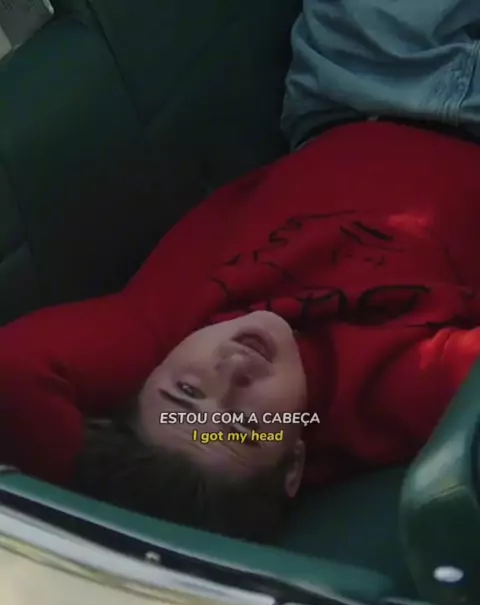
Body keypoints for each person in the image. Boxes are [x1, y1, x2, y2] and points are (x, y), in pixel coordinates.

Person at [2, 0, 480, 543]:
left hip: (370, 82)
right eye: (247, 425)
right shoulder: (383, 394)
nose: (231, 371)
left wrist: (102, 511)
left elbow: (12, 373)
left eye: (187, 391)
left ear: (148, 377)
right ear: (293, 463)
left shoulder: (161, 329)